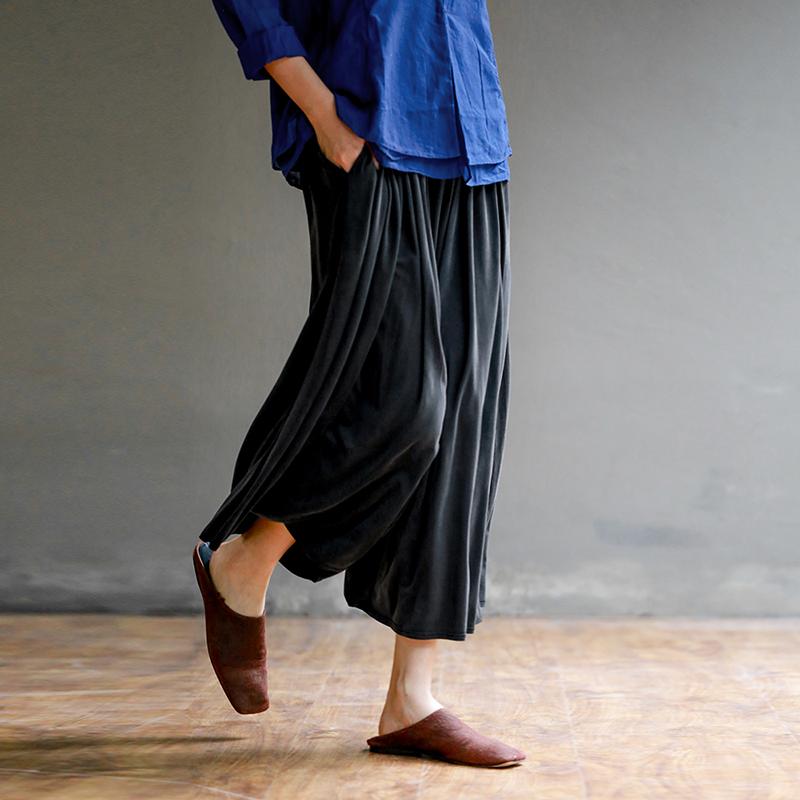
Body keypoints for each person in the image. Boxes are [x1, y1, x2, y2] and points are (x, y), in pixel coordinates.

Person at [193, 0, 524, 768]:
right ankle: (245, 560)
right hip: (367, 125)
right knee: (401, 400)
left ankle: (413, 700)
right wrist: (322, 113)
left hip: (471, 135)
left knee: (462, 420)